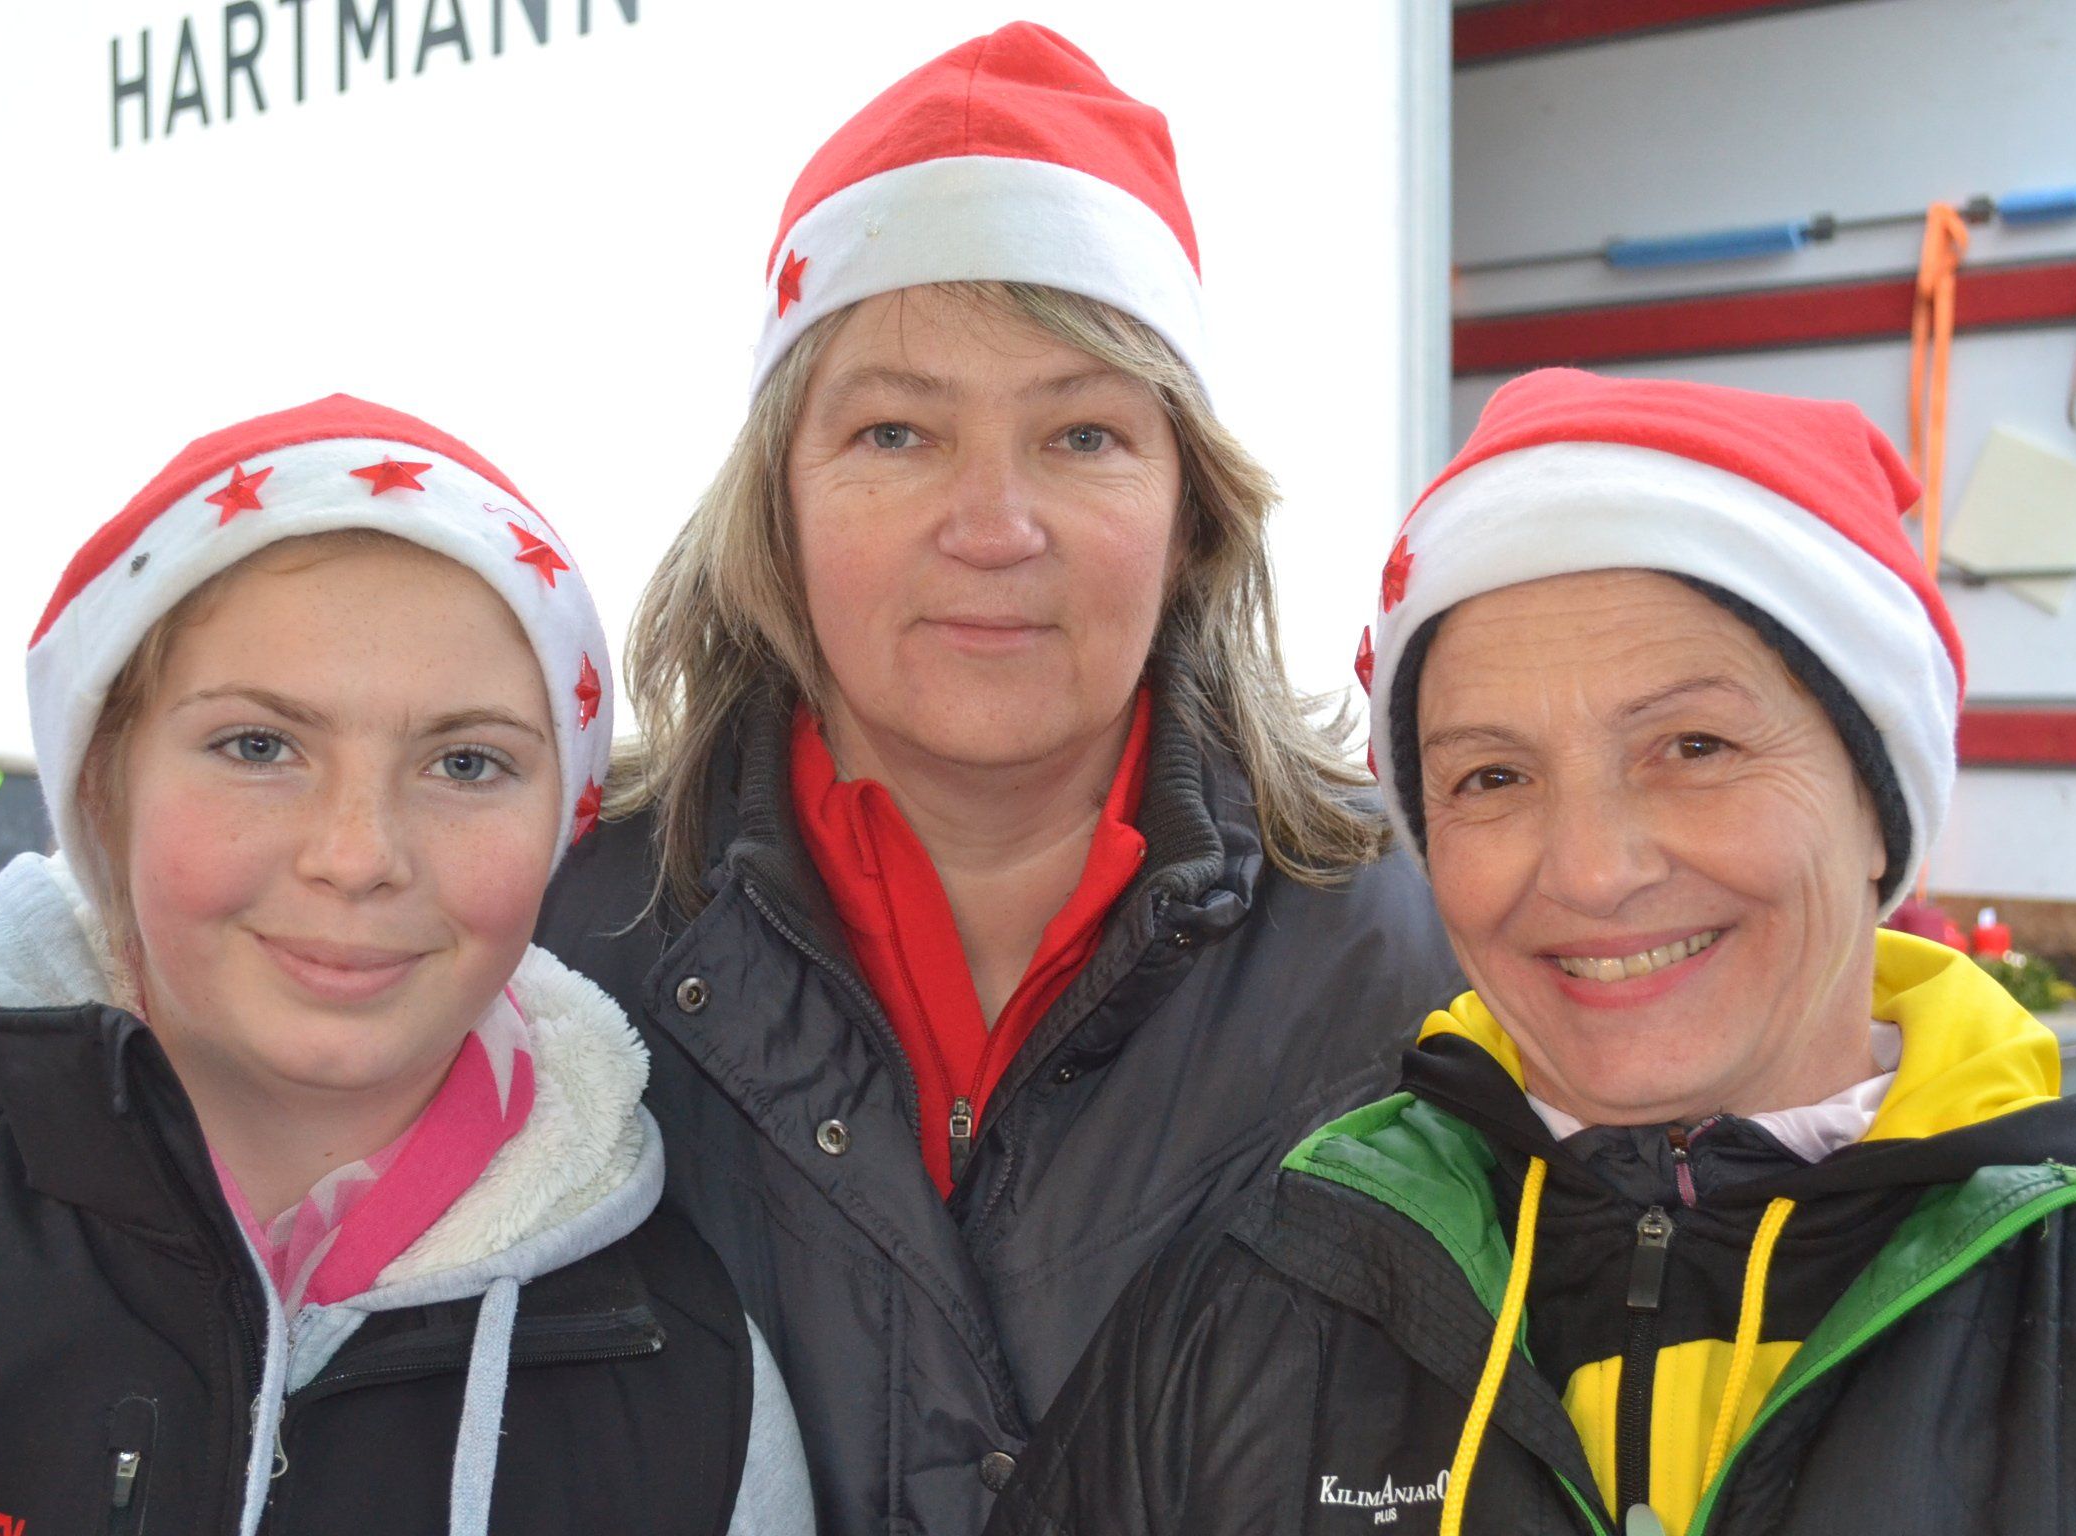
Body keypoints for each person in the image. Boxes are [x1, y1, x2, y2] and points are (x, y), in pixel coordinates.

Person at [536, 22, 1459, 1535]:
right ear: (779, 497)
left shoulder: (1411, 946)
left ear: (1190, 510)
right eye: (895, 432)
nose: (992, 525)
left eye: (1083, 433)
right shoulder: (562, 944)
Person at [988, 370, 2076, 1536]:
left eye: (1695, 746)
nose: (1590, 872)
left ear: (1880, 805)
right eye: (1492, 776)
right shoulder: (1266, 1289)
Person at [0, 396, 810, 1535]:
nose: (357, 857)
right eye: (259, 746)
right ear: (102, 788)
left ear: (562, 823)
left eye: (465, 763)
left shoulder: (691, 1387)